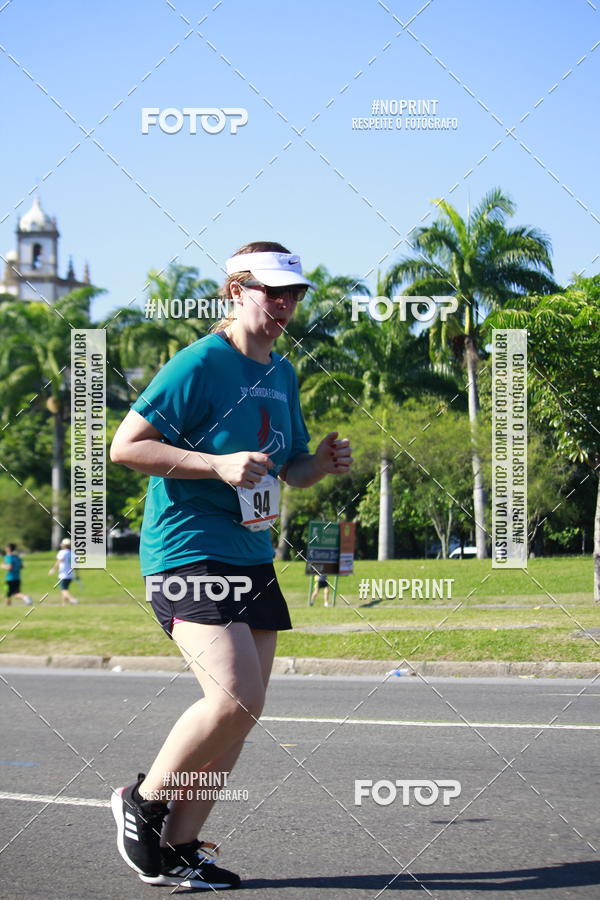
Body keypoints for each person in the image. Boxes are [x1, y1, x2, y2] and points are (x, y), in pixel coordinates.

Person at [109, 241, 353, 890]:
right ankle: (143, 802)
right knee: (233, 696)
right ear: (234, 289)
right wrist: (213, 465)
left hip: (251, 554)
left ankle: (181, 847)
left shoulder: (283, 372)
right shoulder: (199, 363)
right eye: (271, 291)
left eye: (294, 293)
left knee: (245, 713)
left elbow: (288, 469)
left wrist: (319, 465)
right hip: (188, 547)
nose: (283, 304)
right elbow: (126, 446)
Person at [48, 537, 78, 605]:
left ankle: (72, 599)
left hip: (63, 575)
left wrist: (53, 569)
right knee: (65, 588)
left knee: (63, 590)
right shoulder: (72, 553)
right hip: (70, 575)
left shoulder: (62, 552)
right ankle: (63, 604)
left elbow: (58, 562)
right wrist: (77, 574)